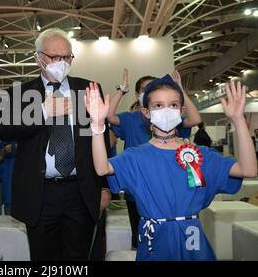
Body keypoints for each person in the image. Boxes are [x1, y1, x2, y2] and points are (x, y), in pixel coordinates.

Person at [86, 77, 257, 260]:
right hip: (155, 240)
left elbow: (248, 170)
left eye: (173, 105)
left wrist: (238, 120)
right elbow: (102, 168)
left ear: (182, 110)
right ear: (146, 112)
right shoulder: (135, 156)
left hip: (193, 241)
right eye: (158, 105)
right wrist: (97, 126)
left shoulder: (199, 154)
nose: (166, 110)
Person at [0, 28, 110, 261]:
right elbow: (3, 130)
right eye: (55, 57)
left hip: (81, 190)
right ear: (38, 57)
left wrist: (105, 186)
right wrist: (43, 111)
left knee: (79, 257)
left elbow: (102, 139)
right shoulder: (20, 93)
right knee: (43, 256)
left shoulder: (88, 89)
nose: (62, 62)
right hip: (40, 193)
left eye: (67, 57)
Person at [107, 69, 201, 249]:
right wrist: (121, 90)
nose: (149, 89)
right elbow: (109, 117)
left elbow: (195, 118)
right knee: (141, 234)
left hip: (169, 183)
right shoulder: (130, 118)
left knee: (175, 232)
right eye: (144, 88)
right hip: (138, 185)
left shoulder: (171, 119)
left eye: (153, 86)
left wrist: (180, 89)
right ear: (138, 95)